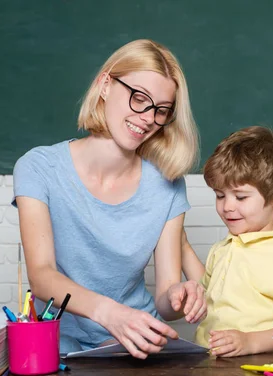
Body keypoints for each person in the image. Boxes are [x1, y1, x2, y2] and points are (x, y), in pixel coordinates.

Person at [13, 39, 207, 359]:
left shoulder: (168, 185)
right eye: (139, 98)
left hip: (134, 346)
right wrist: (112, 315)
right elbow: (42, 276)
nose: (147, 118)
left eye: (161, 110)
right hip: (57, 341)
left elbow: (164, 298)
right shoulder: (38, 167)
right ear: (105, 85)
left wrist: (178, 297)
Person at [181, 126, 273, 357]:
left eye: (241, 197)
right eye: (220, 195)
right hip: (210, 369)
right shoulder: (224, 247)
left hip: (258, 374)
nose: (227, 206)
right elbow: (209, 296)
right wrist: (182, 244)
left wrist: (250, 342)